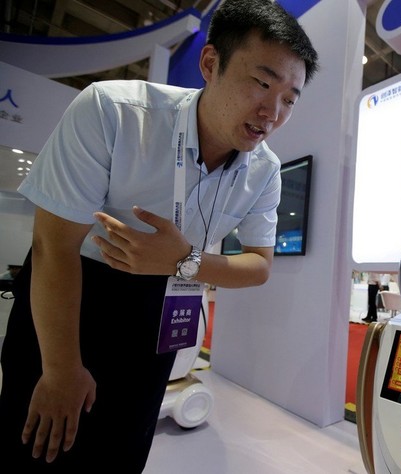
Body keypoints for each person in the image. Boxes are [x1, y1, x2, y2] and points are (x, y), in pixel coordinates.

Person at [0, 1, 318, 471]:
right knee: (42, 445)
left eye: (290, 98)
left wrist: (183, 261)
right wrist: (61, 368)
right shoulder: (114, 111)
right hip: (73, 292)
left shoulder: (265, 171)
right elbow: (53, 245)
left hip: (161, 310)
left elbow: (260, 265)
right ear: (210, 63)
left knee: (124, 449)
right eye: (262, 82)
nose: (272, 111)